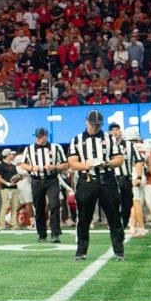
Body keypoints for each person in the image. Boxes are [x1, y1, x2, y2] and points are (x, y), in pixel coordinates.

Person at [65, 110, 129, 260]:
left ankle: (119, 251)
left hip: (107, 179)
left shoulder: (109, 138)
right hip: (87, 180)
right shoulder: (77, 139)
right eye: (92, 124)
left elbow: (119, 159)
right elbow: (72, 163)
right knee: (84, 218)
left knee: (114, 217)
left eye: (97, 125)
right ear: (86, 122)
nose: (95, 127)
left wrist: (106, 163)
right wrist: (86, 165)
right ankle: (81, 251)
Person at [16, 127, 66, 242]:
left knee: (54, 205)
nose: (38, 139)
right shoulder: (29, 149)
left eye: (41, 136)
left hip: (51, 179)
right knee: (39, 207)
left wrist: (55, 167)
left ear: (46, 136)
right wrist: (32, 167)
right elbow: (22, 165)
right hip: (36, 180)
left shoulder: (56, 147)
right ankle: (41, 234)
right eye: (37, 136)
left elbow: (65, 164)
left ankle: (55, 233)